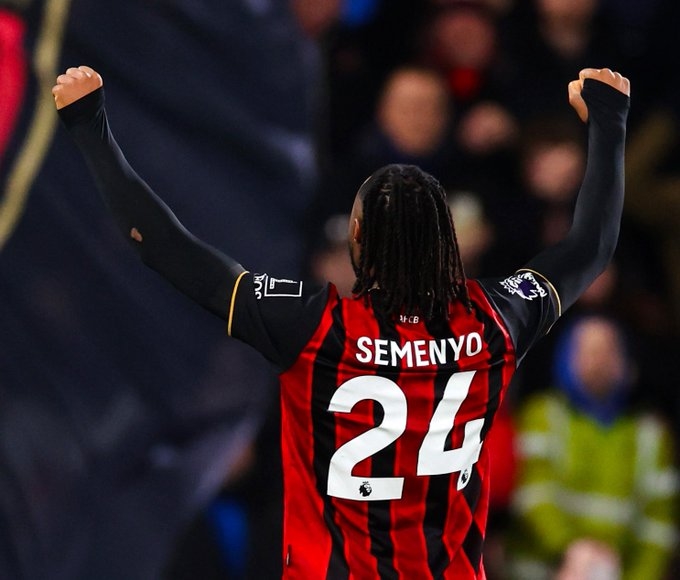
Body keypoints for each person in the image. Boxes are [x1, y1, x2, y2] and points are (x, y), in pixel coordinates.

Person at [52, 64, 629, 578]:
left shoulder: (313, 326)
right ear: (448, 240)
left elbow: (162, 245)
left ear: (357, 238)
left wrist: (90, 128)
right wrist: (608, 123)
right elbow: (590, 247)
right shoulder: (495, 320)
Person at [509, 315, 678, 580]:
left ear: (627, 362)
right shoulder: (542, 415)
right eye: (587, 350)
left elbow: (658, 529)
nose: (599, 360)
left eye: (609, 349)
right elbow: (532, 494)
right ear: (565, 358)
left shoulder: (652, 435)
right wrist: (571, 550)